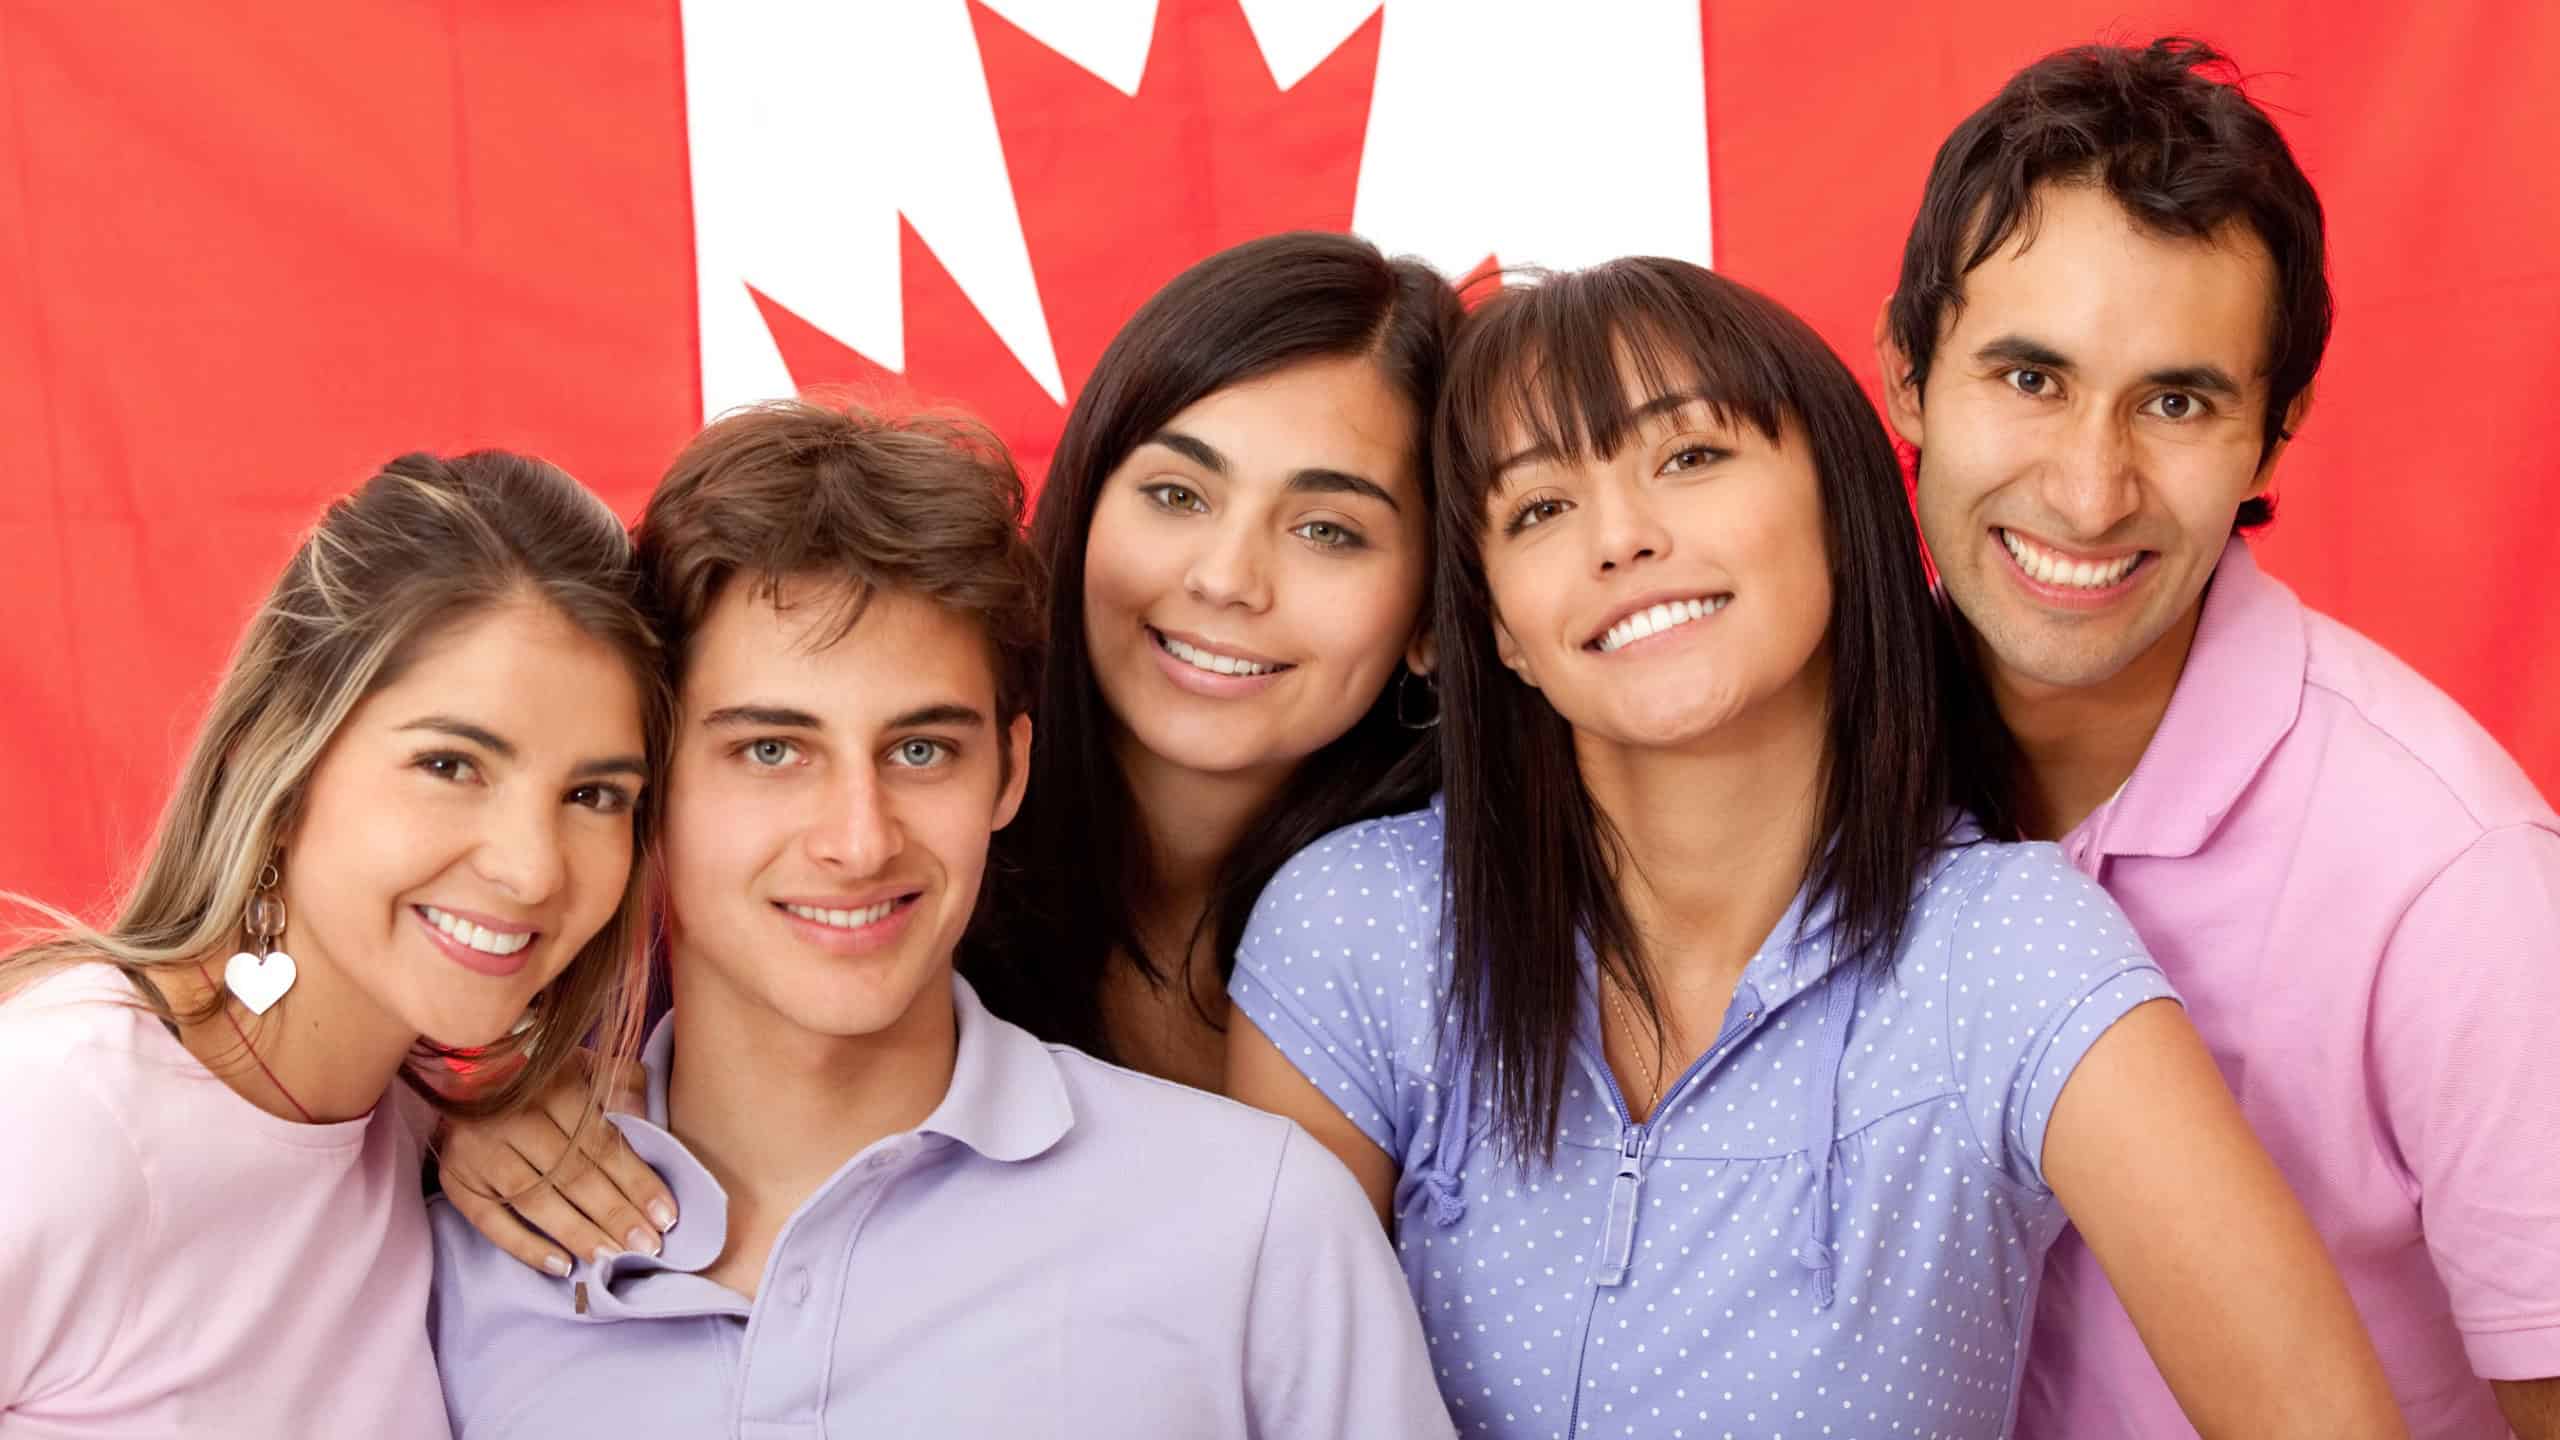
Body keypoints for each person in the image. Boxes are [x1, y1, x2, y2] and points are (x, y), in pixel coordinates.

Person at [1228, 257, 2402, 1437]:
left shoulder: (2004, 949)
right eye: (1540, 509)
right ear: (1497, 633)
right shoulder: (1356, 927)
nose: (1621, 538)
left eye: (1688, 458)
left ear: (1841, 510)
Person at [424, 399, 1454, 1438]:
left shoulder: (1261, 1226)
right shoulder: (455, 1251)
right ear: (647, 782)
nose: (859, 841)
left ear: (1009, 769)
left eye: (921, 751)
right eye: (771, 751)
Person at [1872, 38, 2560, 1438]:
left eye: (2176, 402)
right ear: (1906, 379)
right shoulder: (1798, 768)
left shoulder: (2459, 881)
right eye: (2029, 377)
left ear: (2276, 431)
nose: (2088, 486)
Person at [0, 452, 665, 1438]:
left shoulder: (411, 1136)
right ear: (276, 763)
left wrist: (499, 1108)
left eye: (593, 795)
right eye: (451, 764)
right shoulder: (62, 1115)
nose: (532, 870)